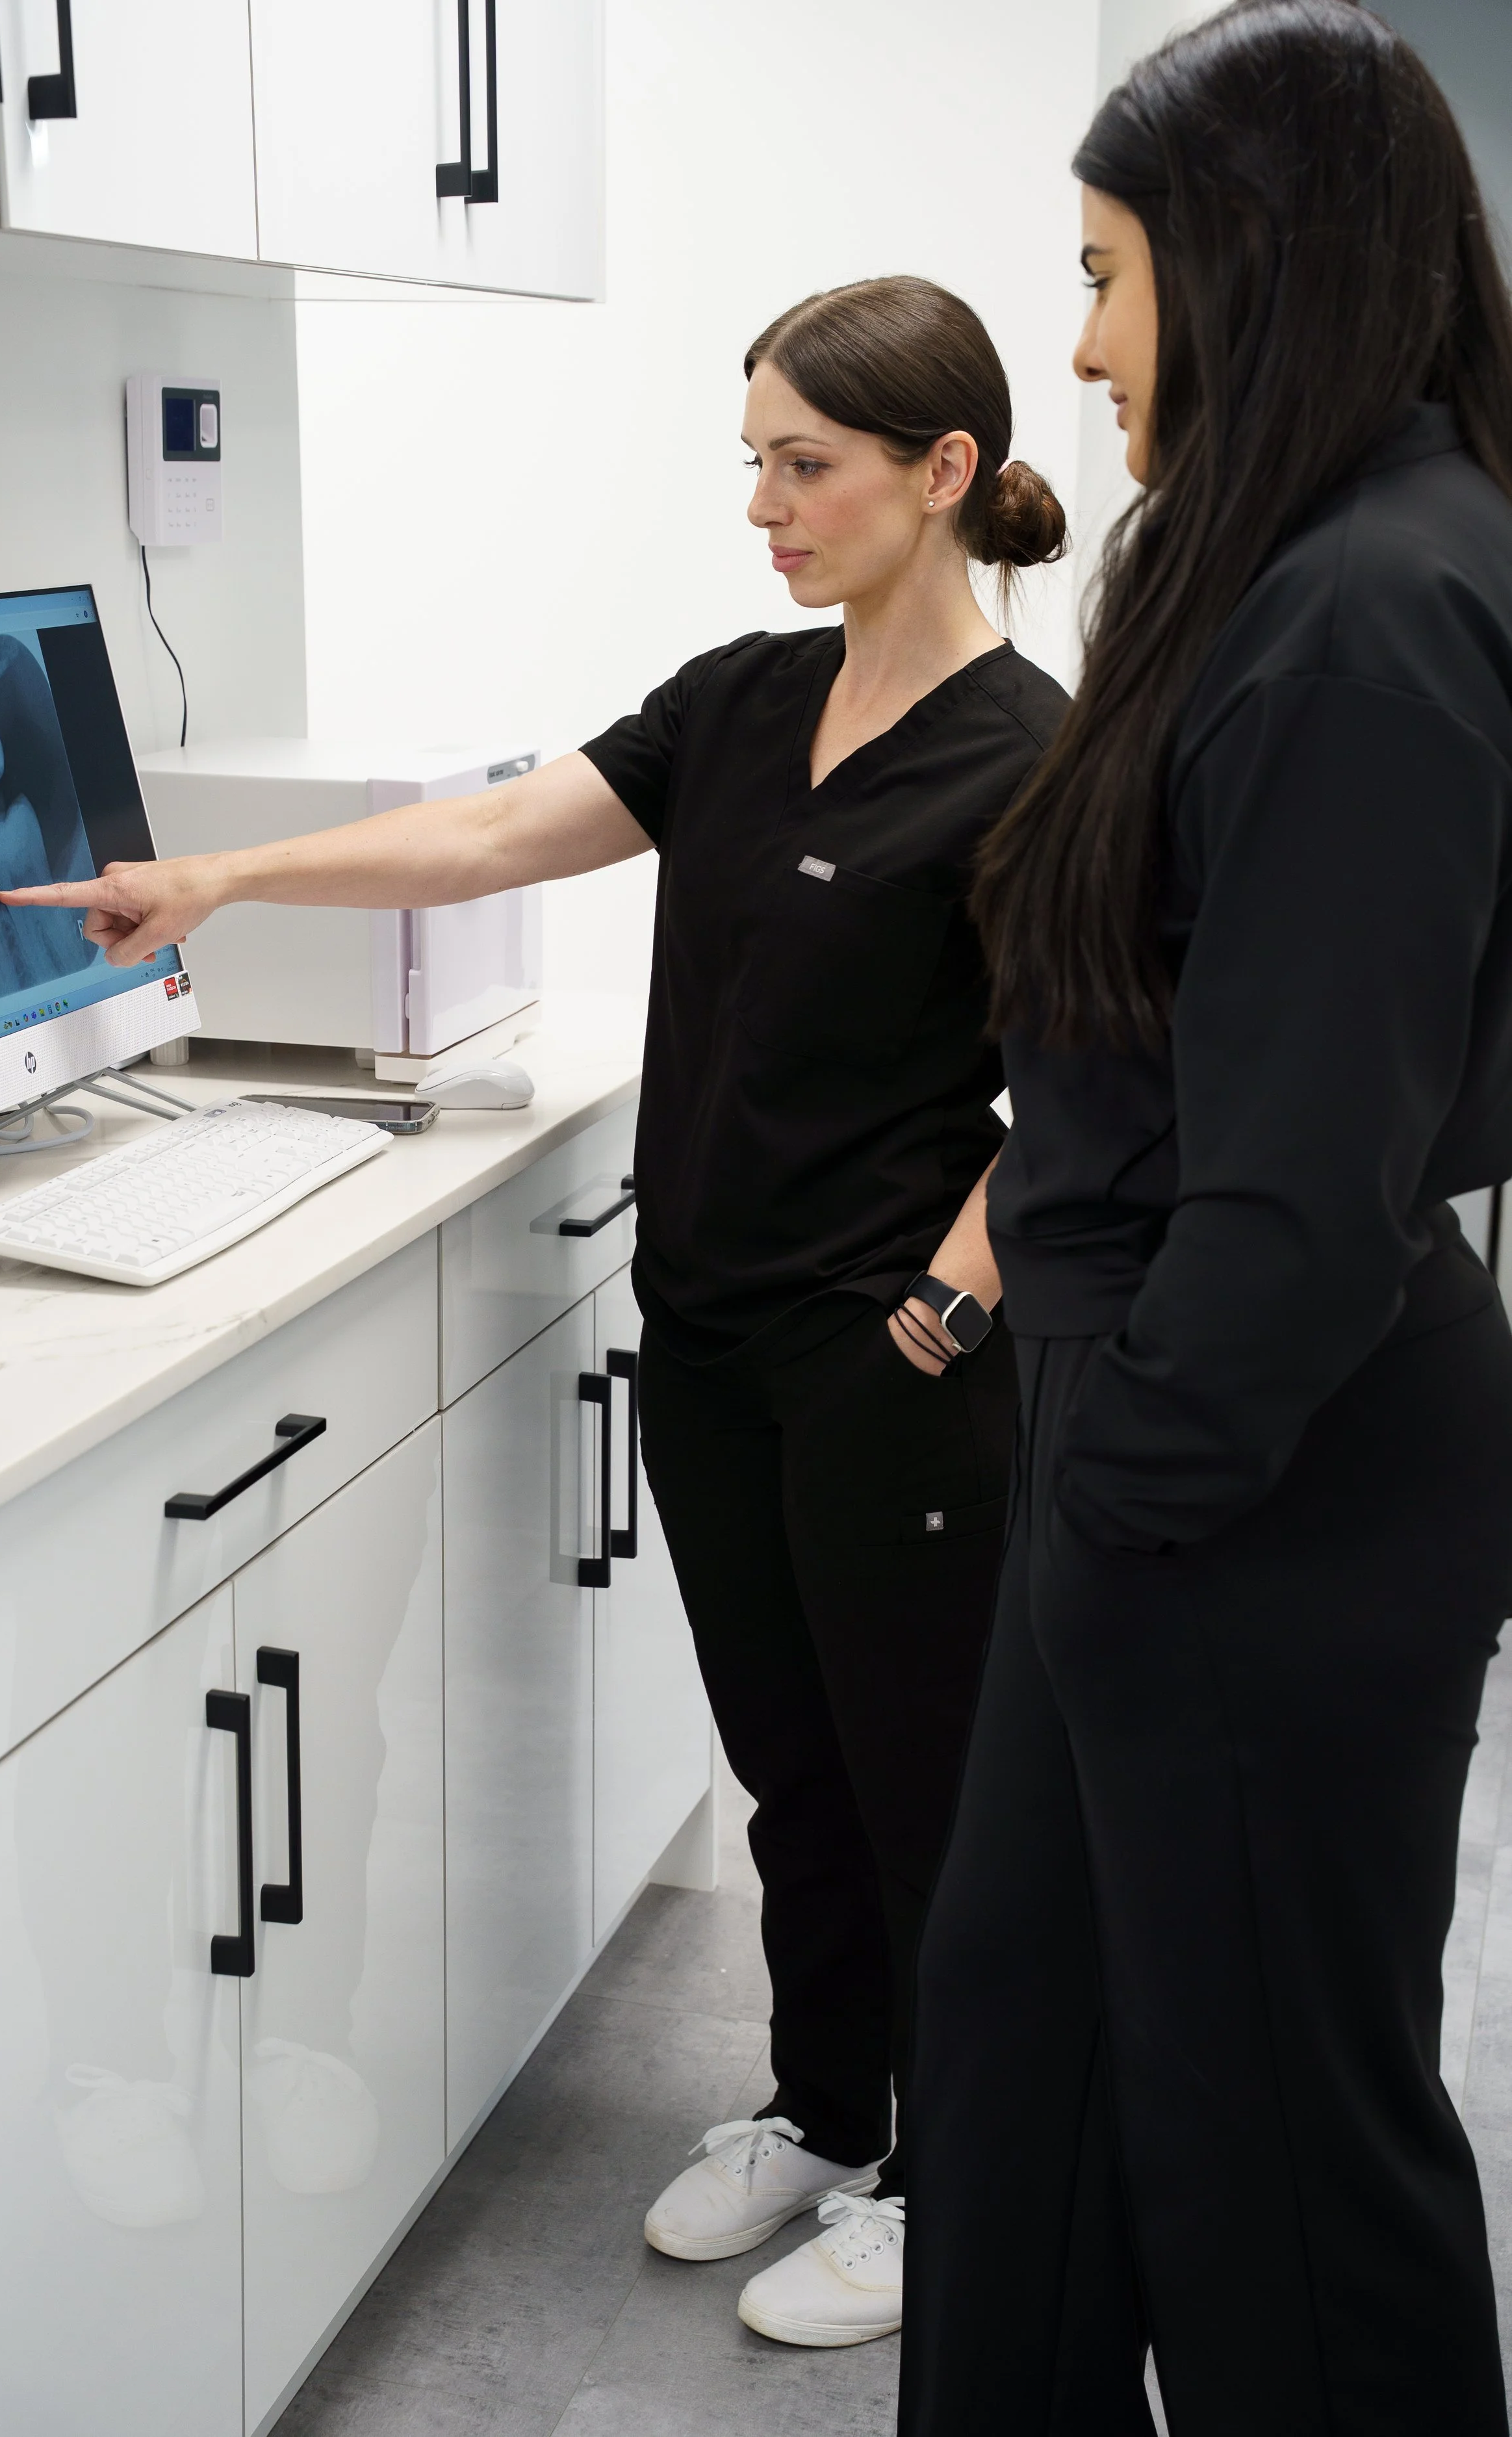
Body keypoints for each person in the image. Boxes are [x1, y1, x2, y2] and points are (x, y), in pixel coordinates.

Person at [6, 276, 1069, 2351]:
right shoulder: (747, 702)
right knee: (788, 1770)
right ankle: (822, 2110)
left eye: (804, 464)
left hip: (893, 1373)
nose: (762, 503)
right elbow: (494, 828)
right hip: (713, 1344)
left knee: (924, 1788)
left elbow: (1088, 1095)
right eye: (749, 460)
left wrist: (933, 1326)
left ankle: (960, 2174)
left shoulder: (1030, 765)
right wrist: (222, 885)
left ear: (938, 475)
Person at [897, 6, 1512, 2432]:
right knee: (1023, 2053)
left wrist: (1121, 1505)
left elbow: (1289, 1188)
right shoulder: (1295, 557)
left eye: (1103, 274)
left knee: (1275, 2171)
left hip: (1254, 1460)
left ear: (1245, 266)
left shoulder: (1374, 600)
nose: (1075, 339)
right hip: (1166, 1431)